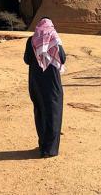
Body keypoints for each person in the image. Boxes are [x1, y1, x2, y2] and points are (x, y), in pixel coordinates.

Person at [23, 17, 67, 157]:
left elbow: (27, 60)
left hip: (36, 81)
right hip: (52, 82)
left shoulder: (31, 40)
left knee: (40, 111)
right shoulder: (54, 38)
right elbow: (63, 58)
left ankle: (42, 145)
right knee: (53, 112)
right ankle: (50, 149)